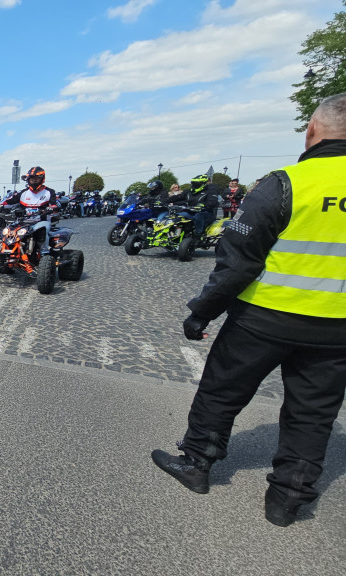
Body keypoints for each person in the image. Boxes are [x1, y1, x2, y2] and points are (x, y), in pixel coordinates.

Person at [151, 93, 346, 528]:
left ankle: (197, 465)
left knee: (222, 391)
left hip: (265, 316)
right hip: (338, 330)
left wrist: (202, 311)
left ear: (313, 130)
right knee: (313, 414)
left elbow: (237, 261)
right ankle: (287, 502)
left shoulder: (286, 183)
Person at [182, 175, 220, 240]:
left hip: (207, 213)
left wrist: (203, 205)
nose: (194, 185)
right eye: (193, 183)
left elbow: (213, 202)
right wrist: (165, 201)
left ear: (202, 184)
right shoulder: (189, 192)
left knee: (198, 216)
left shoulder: (211, 191)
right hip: (191, 211)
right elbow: (178, 197)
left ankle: (198, 233)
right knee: (181, 215)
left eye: (196, 184)